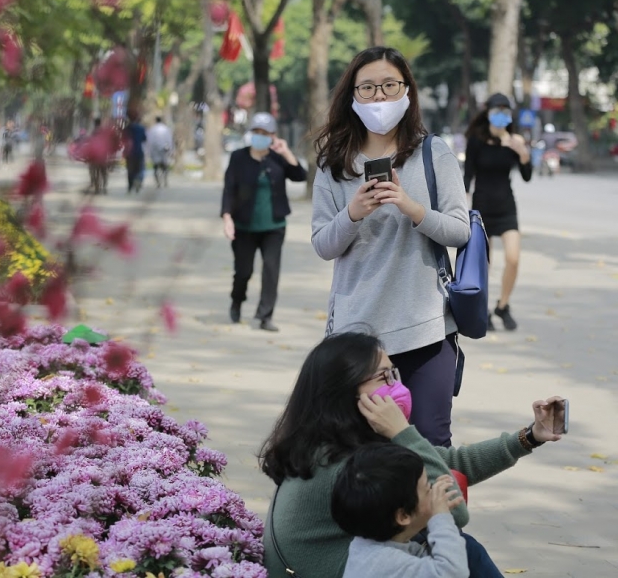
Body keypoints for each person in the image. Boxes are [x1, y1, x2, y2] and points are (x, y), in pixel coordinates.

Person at [259, 331, 566, 578]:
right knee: (457, 548)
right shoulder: (343, 461)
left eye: (395, 372)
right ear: (344, 392)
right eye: (383, 378)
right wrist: (402, 432)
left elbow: (449, 463)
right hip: (326, 570)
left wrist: (529, 437)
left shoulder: (334, 438)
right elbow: (451, 511)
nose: (397, 386)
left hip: (343, 563)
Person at [311, 46, 470, 448]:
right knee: (359, 451)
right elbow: (322, 245)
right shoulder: (335, 162)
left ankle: (438, 515)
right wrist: (353, 212)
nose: (379, 96)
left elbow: (459, 231)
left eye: (389, 85)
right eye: (367, 87)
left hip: (427, 329)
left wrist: (411, 207)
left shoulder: (433, 154)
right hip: (356, 334)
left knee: (431, 448)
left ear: (407, 92)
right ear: (352, 95)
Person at [221, 112, 306, 332]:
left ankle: (265, 315)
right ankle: (237, 300)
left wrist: (286, 152)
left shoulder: (278, 157)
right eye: (256, 132)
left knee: (271, 270)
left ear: (273, 136)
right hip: (244, 226)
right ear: (251, 134)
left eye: (265, 133)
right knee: (243, 271)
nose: (260, 137)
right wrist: (227, 217)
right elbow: (229, 187)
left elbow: (300, 175)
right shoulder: (238, 157)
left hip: (274, 226)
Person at [332, 443, 468, 578]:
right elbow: (453, 572)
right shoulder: (382, 563)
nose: (433, 493)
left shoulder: (371, 547)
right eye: (428, 489)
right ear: (403, 516)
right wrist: (441, 519)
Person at [463, 94, 532, 332]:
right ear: (488, 112)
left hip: (506, 207)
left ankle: (503, 306)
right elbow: (467, 175)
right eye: (497, 109)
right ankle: (483, 309)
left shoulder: (514, 140)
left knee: (513, 258)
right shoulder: (476, 140)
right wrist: (462, 204)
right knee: (485, 264)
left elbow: (527, 175)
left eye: (506, 110)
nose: (501, 114)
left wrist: (523, 153)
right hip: (481, 206)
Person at [146, 115, 174, 188]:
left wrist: (148, 151)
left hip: (155, 150)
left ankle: (158, 182)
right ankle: (165, 181)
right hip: (164, 149)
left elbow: (149, 141)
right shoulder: (165, 129)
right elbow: (169, 140)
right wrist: (171, 150)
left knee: (156, 166)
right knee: (164, 166)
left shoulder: (152, 129)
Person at [123, 112, 147, 193]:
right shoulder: (141, 128)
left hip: (129, 152)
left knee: (130, 169)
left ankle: (130, 186)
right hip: (139, 151)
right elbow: (144, 139)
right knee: (139, 168)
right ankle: (138, 180)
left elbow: (123, 139)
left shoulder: (127, 128)